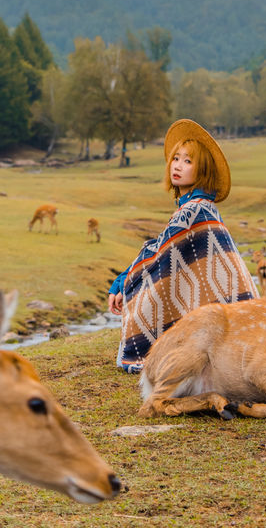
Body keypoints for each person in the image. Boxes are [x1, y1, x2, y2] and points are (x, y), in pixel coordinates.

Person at [108, 119, 258, 372]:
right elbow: (162, 250)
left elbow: (158, 258)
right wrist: (124, 279)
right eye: (176, 159)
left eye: (188, 161)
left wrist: (123, 283)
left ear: (203, 170)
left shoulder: (195, 210)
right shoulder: (198, 206)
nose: (177, 166)